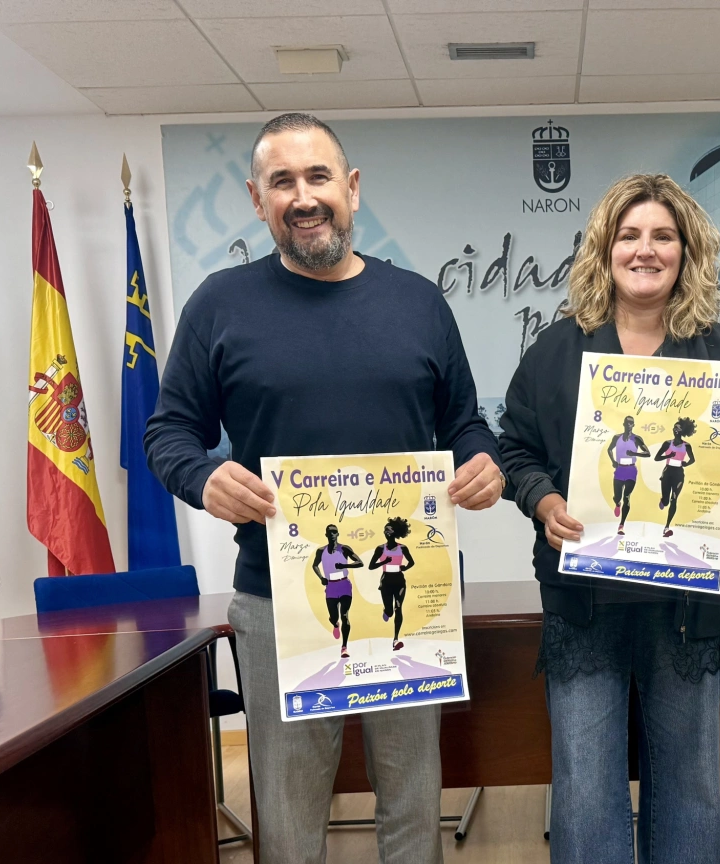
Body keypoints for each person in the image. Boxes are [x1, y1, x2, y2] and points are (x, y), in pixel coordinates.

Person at [145, 112, 504, 864]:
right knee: (288, 817)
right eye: (282, 182)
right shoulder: (219, 304)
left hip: (412, 601)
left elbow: (465, 424)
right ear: (257, 199)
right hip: (278, 601)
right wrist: (204, 476)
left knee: (413, 805)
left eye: (318, 177)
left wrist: (483, 462)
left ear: (352, 188)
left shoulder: (419, 303)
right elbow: (168, 433)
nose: (304, 197)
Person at [497, 173, 720, 864]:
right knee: (585, 786)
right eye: (629, 236)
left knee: (688, 783)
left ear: (687, 252)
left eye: (663, 236)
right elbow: (515, 450)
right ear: (605, 249)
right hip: (584, 601)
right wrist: (543, 500)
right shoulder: (556, 350)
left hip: (687, 604)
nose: (645, 250)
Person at [312, 523, 364, 658]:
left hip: (344, 584)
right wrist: (321, 578)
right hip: (331, 586)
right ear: (326, 535)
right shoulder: (321, 551)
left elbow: (360, 562)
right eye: (330, 532)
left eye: (334, 532)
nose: (332, 534)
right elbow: (315, 565)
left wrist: (344, 565)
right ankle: (335, 624)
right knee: (334, 617)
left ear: (338, 534)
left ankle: (344, 647)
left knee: (345, 615)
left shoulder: (344, 549)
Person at [369, 517, 416, 651]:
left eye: (389, 530)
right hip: (386, 581)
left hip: (399, 581)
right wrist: (384, 562)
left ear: (395, 532)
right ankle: (386, 611)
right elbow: (371, 566)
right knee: (390, 611)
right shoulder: (380, 549)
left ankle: (396, 640)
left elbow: (411, 562)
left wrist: (405, 568)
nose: (386, 532)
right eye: (385, 530)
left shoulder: (403, 548)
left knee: (398, 608)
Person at [654, 416, 698, 537]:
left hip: (679, 474)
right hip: (667, 472)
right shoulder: (667, 444)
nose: (675, 429)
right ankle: (663, 500)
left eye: (678, 428)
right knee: (666, 501)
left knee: (674, 499)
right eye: (674, 427)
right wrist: (668, 456)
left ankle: (667, 527)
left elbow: (692, 460)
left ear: (683, 431)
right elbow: (657, 458)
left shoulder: (687, 446)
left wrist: (686, 464)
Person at [607, 415, 650, 533]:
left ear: (633, 425)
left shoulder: (637, 439)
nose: (628, 425)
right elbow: (609, 449)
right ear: (623, 424)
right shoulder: (617, 438)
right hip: (619, 469)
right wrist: (613, 461)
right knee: (617, 497)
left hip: (631, 470)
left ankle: (621, 525)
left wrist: (635, 454)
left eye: (631, 423)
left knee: (627, 497)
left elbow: (647, 453)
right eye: (627, 422)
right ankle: (617, 503)